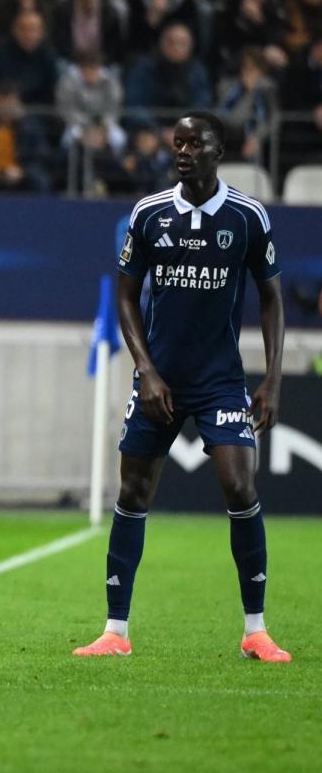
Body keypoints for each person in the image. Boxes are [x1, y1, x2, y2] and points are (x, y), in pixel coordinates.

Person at [75, 111, 291, 662]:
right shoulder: (149, 213)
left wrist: (271, 377)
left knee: (241, 488)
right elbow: (126, 296)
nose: (184, 151)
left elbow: (270, 297)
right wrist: (145, 369)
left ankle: (256, 630)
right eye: (179, 142)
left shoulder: (247, 216)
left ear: (222, 150)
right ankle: (115, 632)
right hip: (159, 382)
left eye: (197, 142)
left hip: (220, 382)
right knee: (132, 493)